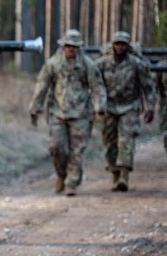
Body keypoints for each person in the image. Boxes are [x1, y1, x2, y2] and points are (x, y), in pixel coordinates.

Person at [29, 29, 106, 196]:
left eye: (75, 46)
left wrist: (99, 106)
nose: (71, 49)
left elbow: (97, 87)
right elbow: (42, 84)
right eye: (68, 46)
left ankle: (72, 182)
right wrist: (36, 105)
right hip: (58, 112)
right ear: (63, 46)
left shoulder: (87, 64)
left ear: (79, 47)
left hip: (81, 115)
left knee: (77, 150)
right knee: (57, 148)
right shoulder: (53, 64)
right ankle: (61, 175)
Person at [95, 31, 155, 191]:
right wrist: (97, 105)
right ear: (112, 45)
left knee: (126, 140)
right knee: (110, 142)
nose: (120, 47)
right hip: (109, 106)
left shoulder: (137, 64)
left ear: (128, 46)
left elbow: (148, 87)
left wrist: (150, 108)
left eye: (123, 44)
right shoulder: (102, 64)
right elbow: (95, 86)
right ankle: (114, 173)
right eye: (117, 44)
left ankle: (124, 176)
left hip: (130, 106)